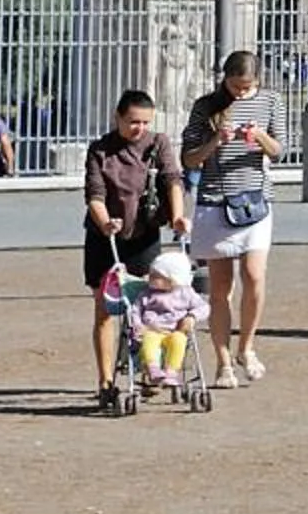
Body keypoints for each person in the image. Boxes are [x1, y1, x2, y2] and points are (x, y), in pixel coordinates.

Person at [181, 49, 285, 384]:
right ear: (224, 78)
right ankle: (223, 362)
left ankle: (247, 346)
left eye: (247, 86)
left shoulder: (271, 101)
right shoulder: (205, 106)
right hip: (214, 200)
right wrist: (216, 141)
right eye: (235, 85)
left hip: (255, 199)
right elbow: (189, 159)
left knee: (255, 276)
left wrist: (259, 137)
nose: (240, 92)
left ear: (258, 81)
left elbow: (279, 151)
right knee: (220, 287)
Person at [82, 90, 179, 412]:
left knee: (153, 307)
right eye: (132, 122)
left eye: (145, 122)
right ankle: (106, 380)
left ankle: (151, 370)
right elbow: (94, 194)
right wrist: (104, 221)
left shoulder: (158, 143)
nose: (139, 128)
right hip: (105, 239)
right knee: (105, 309)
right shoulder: (100, 150)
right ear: (118, 117)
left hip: (144, 235)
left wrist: (178, 215)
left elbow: (172, 180)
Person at [124, 250, 208, 392]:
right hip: (151, 331)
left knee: (179, 341)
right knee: (149, 340)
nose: (150, 277)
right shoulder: (146, 294)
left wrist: (191, 316)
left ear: (173, 279)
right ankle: (153, 369)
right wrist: (138, 325)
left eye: (156, 276)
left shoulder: (185, 293)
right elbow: (135, 311)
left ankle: (171, 371)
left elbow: (203, 307)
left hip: (175, 330)